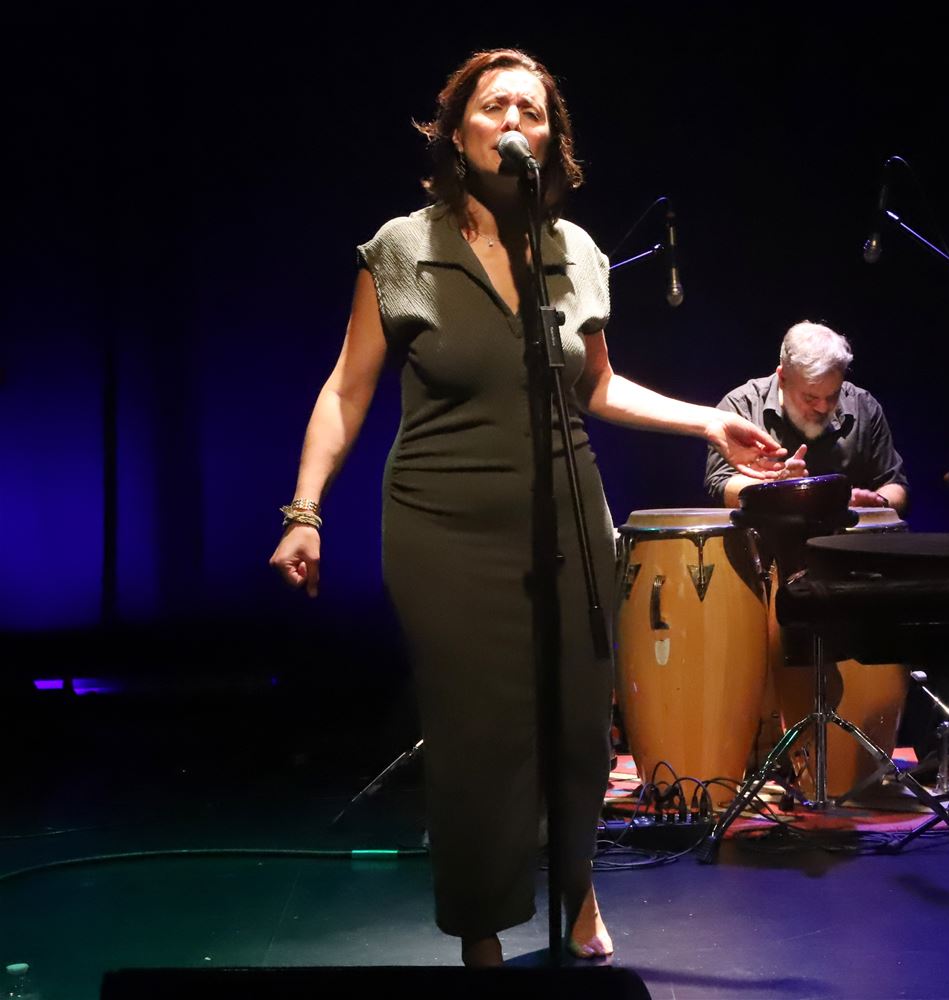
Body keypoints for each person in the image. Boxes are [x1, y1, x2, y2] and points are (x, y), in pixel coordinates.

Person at [267, 48, 784, 968]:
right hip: (443, 524)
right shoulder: (403, 248)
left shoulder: (574, 251)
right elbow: (346, 390)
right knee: (477, 735)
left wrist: (710, 421)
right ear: (456, 132)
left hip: (568, 512)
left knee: (581, 723)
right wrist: (304, 511)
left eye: (532, 111)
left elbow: (599, 385)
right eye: (494, 105)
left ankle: (577, 887)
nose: (514, 121)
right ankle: (482, 929)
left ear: (553, 140)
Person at [705, 321, 909, 512]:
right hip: (765, 536)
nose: (823, 407)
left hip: (848, 536)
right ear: (782, 378)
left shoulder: (863, 404)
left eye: (833, 395)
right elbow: (721, 484)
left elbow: (895, 485)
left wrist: (878, 503)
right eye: (810, 398)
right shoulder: (742, 405)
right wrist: (777, 489)